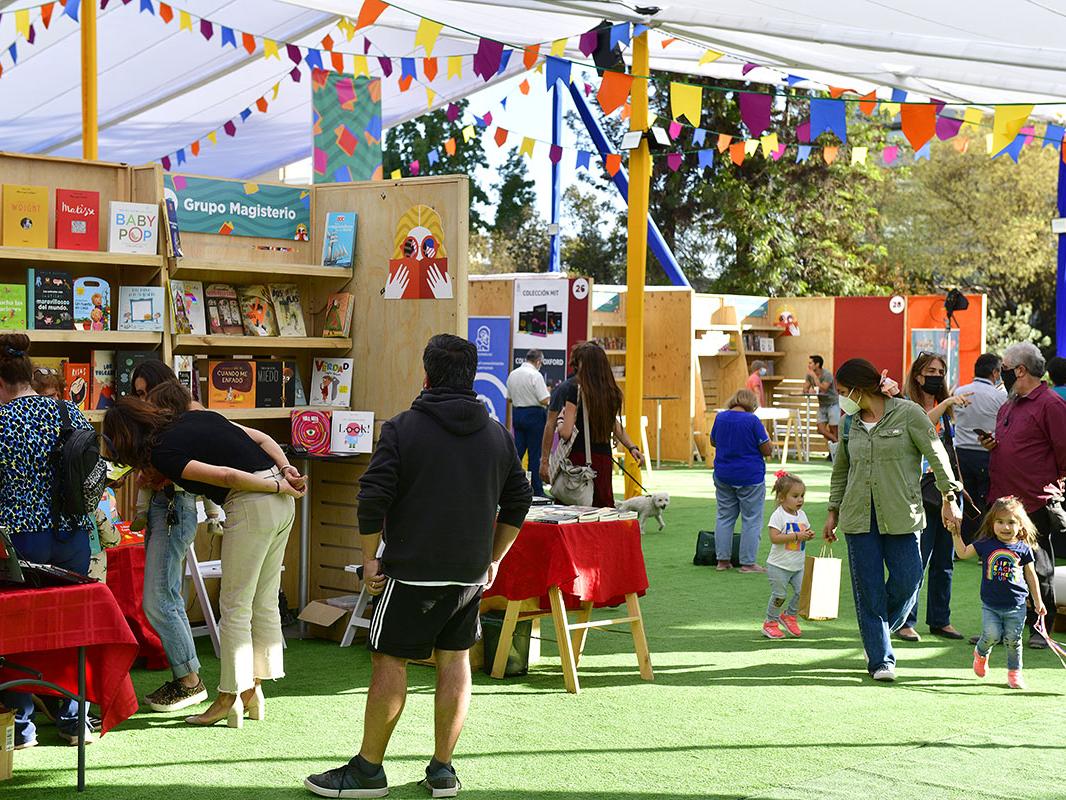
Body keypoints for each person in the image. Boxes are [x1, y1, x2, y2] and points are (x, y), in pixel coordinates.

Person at [304, 334, 532, 798]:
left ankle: (368, 771)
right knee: (456, 660)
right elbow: (519, 501)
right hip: (469, 573)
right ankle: (443, 770)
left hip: (410, 572)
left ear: (426, 376)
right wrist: (492, 559)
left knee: (389, 658)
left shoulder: (403, 427)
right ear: (472, 377)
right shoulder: (497, 435)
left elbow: (372, 497)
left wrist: (370, 559)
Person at [103, 395, 304, 728]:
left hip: (256, 501)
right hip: (282, 502)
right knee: (263, 601)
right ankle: (253, 691)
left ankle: (228, 698)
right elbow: (263, 439)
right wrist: (283, 474)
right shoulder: (195, 416)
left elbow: (226, 476)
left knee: (235, 606)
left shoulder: (161, 453)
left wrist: (274, 485)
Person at [824, 358, 962, 682]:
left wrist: (949, 498)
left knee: (909, 578)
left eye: (844, 392)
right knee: (869, 590)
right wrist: (833, 510)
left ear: (859, 389)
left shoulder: (908, 413)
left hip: (903, 514)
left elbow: (937, 455)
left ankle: (880, 627)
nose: (842, 399)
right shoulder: (849, 423)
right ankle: (881, 660)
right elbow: (841, 469)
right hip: (858, 517)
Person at [0, 334, 98, 748]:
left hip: (22, 540)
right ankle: (76, 719)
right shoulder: (66, 411)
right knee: (68, 627)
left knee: (14, 630)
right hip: (73, 535)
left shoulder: (3, 422)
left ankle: (20, 727)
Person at [981, 341, 1066, 649]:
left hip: (1034, 498)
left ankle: (1040, 629)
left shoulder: (1051, 404)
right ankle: (1000, 625)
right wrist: (994, 446)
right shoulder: (1009, 403)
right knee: (999, 564)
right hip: (1002, 498)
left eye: (1004, 367)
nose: (1000, 372)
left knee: (1039, 566)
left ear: (1019, 370)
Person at [897, 352, 971, 643]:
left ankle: (940, 620)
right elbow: (923, 426)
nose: (936, 375)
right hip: (919, 492)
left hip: (947, 492)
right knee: (918, 559)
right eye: (931, 370)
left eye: (941, 370)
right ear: (917, 375)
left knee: (945, 559)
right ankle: (905, 620)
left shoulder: (947, 411)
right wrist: (947, 402)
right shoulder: (906, 406)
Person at [950, 496, 1045, 690]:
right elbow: (962, 553)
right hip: (991, 604)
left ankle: (1014, 673)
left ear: (1021, 525)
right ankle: (981, 653)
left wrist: (1038, 601)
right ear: (992, 523)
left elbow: (1031, 575)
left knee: (1013, 640)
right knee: (991, 635)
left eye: (1011, 522)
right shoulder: (986, 543)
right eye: (1000, 522)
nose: (1005, 527)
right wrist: (955, 533)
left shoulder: (1023, 548)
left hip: (1017, 604)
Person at [557, 342, 644, 508]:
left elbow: (566, 433)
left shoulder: (575, 390)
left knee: (574, 510)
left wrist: (560, 422)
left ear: (585, 365)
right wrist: (633, 447)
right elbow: (615, 425)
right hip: (603, 460)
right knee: (602, 509)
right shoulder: (612, 393)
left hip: (578, 460)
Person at [711, 389, 772, 573]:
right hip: (750, 476)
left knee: (724, 517)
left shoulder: (720, 418)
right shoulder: (752, 420)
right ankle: (748, 563)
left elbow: (714, 441)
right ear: (752, 404)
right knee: (751, 520)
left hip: (723, 474)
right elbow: (767, 450)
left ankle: (722, 561)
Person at [952, 353, 1006, 542]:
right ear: (995, 372)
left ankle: (964, 541)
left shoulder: (959, 391)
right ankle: (986, 544)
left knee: (964, 499)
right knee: (987, 500)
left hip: (960, 453)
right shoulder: (1000, 396)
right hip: (987, 452)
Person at [762, 471, 814, 639]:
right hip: (779, 566)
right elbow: (774, 538)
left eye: (802, 496)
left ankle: (789, 616)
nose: (800, 500)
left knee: (803, 592)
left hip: (797, 565)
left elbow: (803, 531)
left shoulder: (802, 515)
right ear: (782, 498)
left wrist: (808, 534)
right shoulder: (778, 516)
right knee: (779, 595)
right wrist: (797, 536)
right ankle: (770, 622)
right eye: (795, 496)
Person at [538, 343, 583, 490]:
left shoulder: (599, 388)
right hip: (570, 458)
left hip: (589, 457)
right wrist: (545, 461)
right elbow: (552, 425)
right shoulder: (566, 388)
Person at [505, 349, 550, 496]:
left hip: (518, 414)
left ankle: (510, 486)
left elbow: (509, 398)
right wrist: (549, 393)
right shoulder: (535, 375)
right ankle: (536, 490)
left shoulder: (513, 374)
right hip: (534, 416)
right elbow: (544, 399)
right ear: (538, 362)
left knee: (517, 453)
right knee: (534, 454)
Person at [804, 355, 839, 459]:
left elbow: (824, 388)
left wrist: (814, 377)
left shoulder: (827, 374)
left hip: (833, 403)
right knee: (820, 429)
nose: (808, 365)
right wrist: (808, 389)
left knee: (833, 429)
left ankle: (833, 453)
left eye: (811, 363)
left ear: (817, 364)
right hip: (822, 405)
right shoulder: (809, 375)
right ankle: (838, 444)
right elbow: (805, 388)